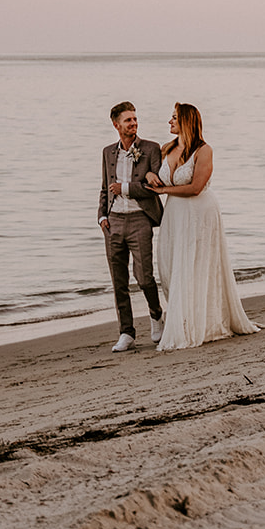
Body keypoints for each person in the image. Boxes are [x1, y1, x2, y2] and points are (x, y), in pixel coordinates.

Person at [145, 102, 259, 352]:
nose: (169, 121)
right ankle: (182, 317)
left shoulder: (204, 151)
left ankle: (201, 324)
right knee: (170, 267)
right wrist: (150, 177)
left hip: (199, 214)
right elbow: (154, 176)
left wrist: (163, 190)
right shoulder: (167, 149)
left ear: (186, 121)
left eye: (174, 117)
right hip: (174, 215)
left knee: (196, 266)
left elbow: (196, 187)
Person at [98, 101, 165, 353]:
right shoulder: (107, 152)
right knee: (119, 281)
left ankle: (156, 314)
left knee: (144, 277)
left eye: (135, 119)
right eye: (128, 120)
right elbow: (105, 187)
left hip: (140, 219)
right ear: (116, 125)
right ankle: (127, 332)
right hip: (113, 221)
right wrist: (101, 217)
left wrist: (126, 188)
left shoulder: (150, 149)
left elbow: (157, 185)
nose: (133, 123)